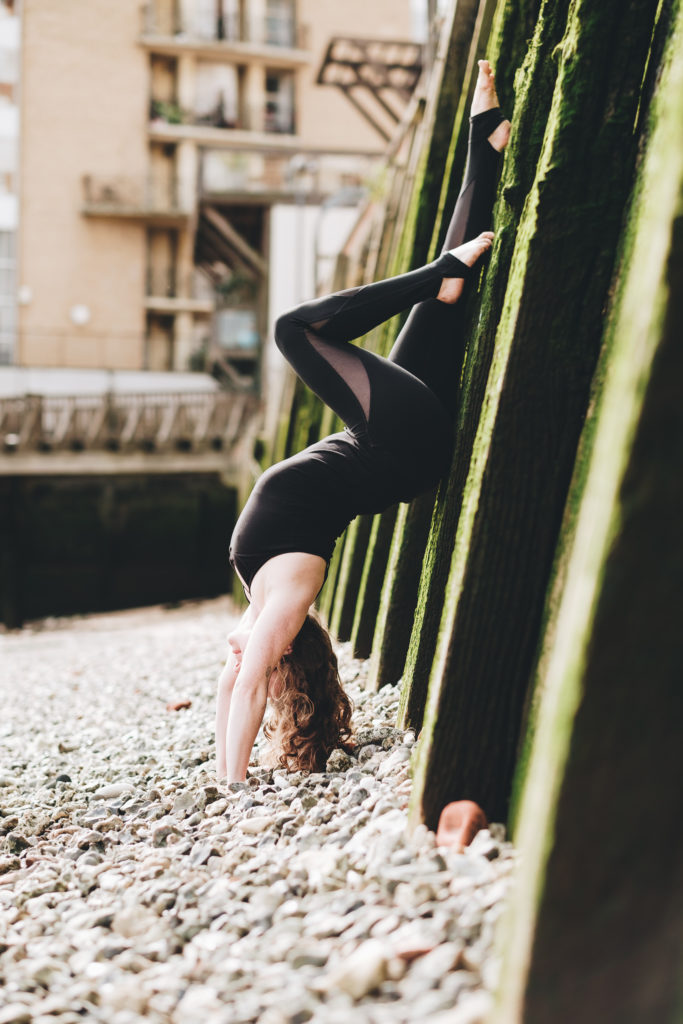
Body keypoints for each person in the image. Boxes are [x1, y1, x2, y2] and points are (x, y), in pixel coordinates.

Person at [215, 60, 511, 782]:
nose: (243, 656)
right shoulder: (287, 599)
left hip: (390, 442)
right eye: (271, 667)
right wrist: (230, 780)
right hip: (397, 448)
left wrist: (216, 752)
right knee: (296, 329)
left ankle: (486, 143)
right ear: (287, 653)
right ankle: (439, 269)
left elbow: (231, 683)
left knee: (436, 313)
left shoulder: (262, 606)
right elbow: (250, 682)